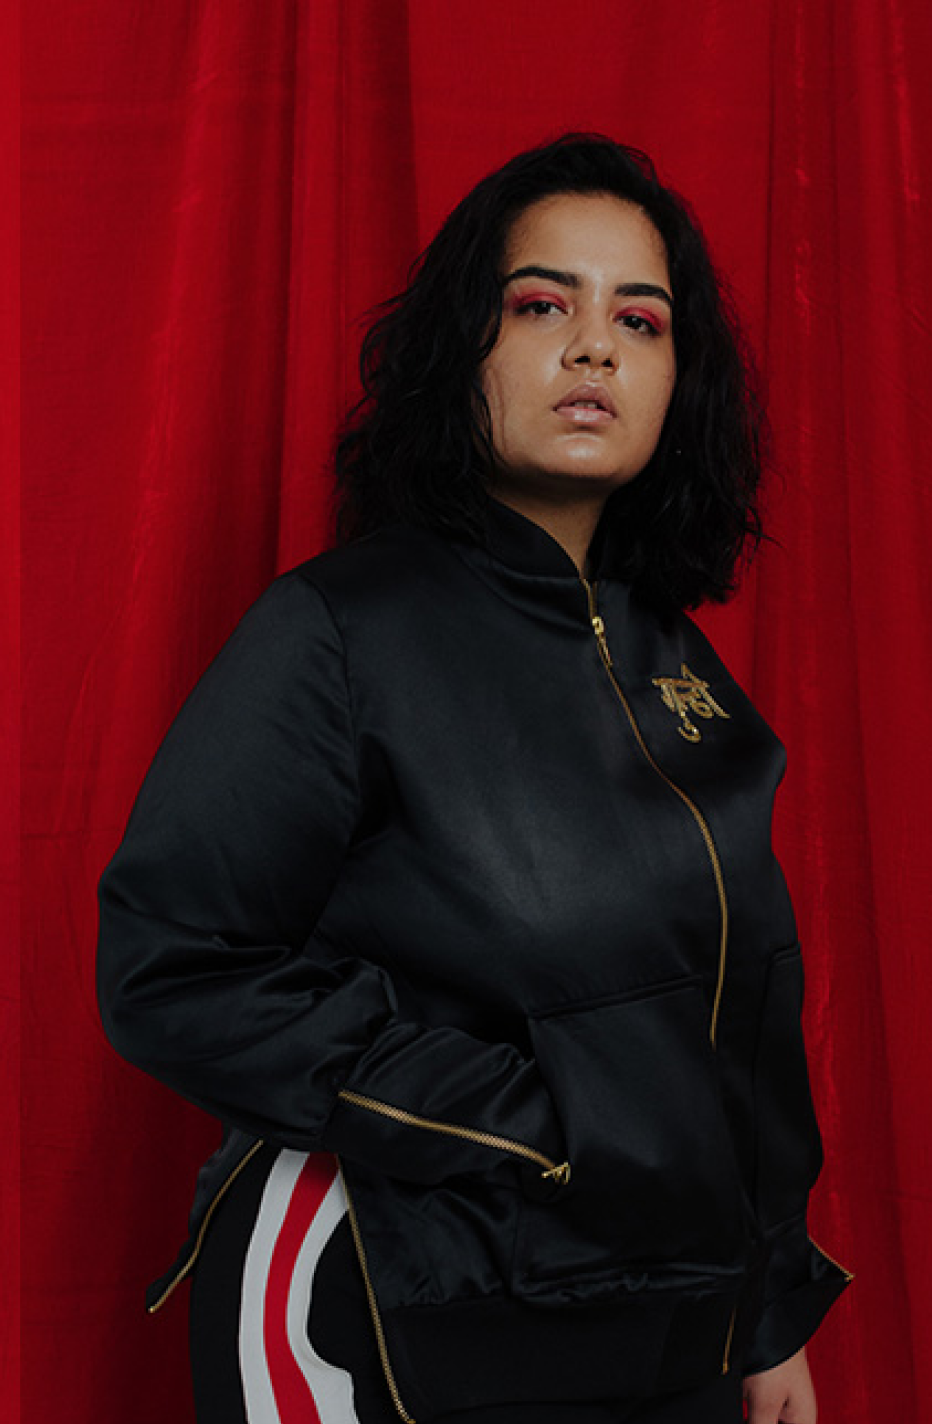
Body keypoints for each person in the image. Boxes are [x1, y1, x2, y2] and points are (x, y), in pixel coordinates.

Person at [96, 134, 851, 1424]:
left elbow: (740, 1015)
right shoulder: (340, 632)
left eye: (641, 320)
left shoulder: (684, 667)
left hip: (660, 1326)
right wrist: (539, 1124)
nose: (595, 347)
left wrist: (764, 1306)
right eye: (543, 305)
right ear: (467, 350)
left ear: (679, 380)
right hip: (393, 1316)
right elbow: (175, 966)